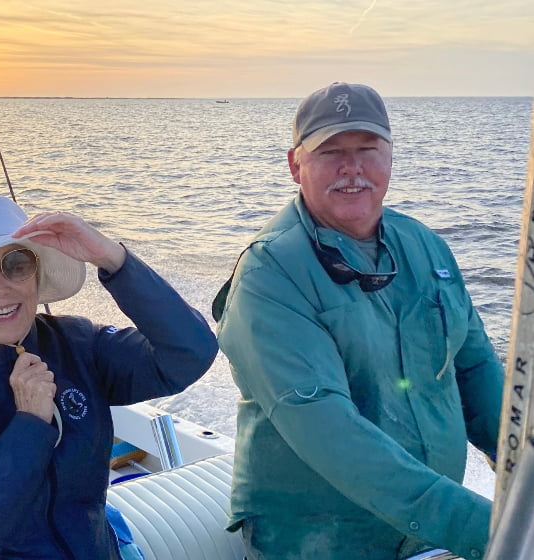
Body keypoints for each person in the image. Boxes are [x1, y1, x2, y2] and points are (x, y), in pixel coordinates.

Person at [212, 82, 504, 560]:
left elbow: (476, 374)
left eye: (367, 149)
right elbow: (330, 434)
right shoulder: (270, 273)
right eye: (331, 152)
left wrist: (523, 462)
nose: (352, 168)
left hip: (427, 535)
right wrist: (489, 532)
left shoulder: (426, 246)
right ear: (295, 164)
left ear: (390, 157)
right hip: (318, 543)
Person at [0, 193, 218, 560]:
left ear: (38, 274)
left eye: (16, 264)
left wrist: (113, 258)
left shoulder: (80, 346)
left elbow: (189, 354)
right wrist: (29, 430)